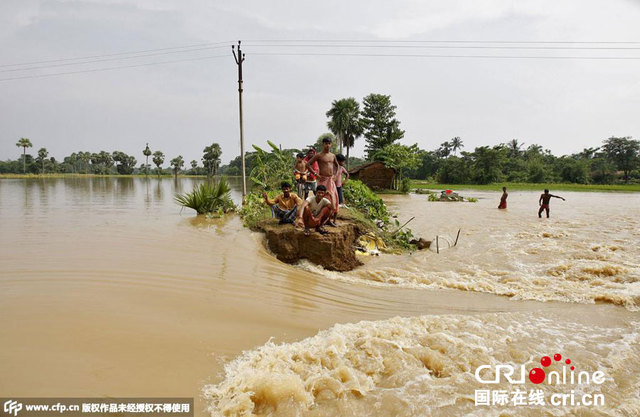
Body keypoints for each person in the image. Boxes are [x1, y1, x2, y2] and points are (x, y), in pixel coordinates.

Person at [305, 137, 339, 226]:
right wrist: (316, 175)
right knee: (322, 199)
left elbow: (337, 166)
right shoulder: (319, 155)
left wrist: (335, 175)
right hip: (322, 180)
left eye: (329, 143)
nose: (327, 145)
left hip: (330, 180)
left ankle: (330, 220)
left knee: (333, 199)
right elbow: (308, 164)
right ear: (323, 144)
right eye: (326, 143)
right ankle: (320, 219)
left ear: (331, 144)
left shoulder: (333, 155)